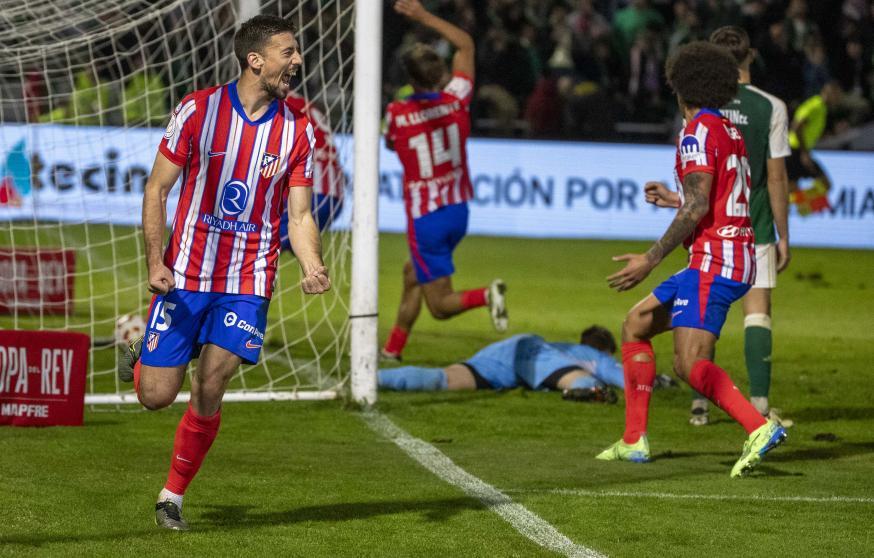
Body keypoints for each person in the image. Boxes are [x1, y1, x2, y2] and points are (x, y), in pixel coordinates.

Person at [117, 15, 331, 530]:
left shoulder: (298, 130)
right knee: (155, 397)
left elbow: (299, 215)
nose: (297, 61)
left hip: (248, 280)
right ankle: (144, 351)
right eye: (288, 52)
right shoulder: (198, 110)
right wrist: (155, 260)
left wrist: (312, 262)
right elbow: (157, 190)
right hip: (187, 274)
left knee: (211, 385)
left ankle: (172, 496)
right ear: (255, 59)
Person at [597, 41, 786, 478]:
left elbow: (699, 204)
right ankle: (633, 440)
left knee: (688, 364)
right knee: (636, 324)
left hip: (715, 260)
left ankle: (759, 428)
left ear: (681, 86)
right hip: (731, 252)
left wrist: (650, 257)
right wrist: (675, 200)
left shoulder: (697, 132)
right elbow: (713, 196)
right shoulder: (728, 129)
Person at [654, 26, 791, 426]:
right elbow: (777, 176)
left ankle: (700, 403)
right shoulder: (770, 107)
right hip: (755, 225)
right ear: (751, 56)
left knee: (700, 318)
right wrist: (784, 233)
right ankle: (761, 404)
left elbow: (702, 186)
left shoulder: (699, 114)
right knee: (757, 313)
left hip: (711, 235)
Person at [381, 0, 507, 363]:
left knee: (439, 304)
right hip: (457, 211)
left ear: (409, 79)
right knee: (412, 274)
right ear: (440, 73)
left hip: (427, 217)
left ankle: (487, 295)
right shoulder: (457, 98)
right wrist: (423, 16)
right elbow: (465, 44)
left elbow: (391, 144)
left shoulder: (398, 113)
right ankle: (392, 349)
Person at [379, 325, 634, 402]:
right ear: (604, 349)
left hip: (503, 354)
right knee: (581, 378)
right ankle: (590, 390)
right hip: (532, 352)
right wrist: (651, 382)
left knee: (442, 379)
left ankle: (369, 380)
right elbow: (625, 377)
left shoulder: (562, 347)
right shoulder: (594, 355)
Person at [278, 91, 345, 250]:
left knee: (257, 248)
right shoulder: (304, 103)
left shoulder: (277, 105)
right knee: (306, 256)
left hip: (311, 191)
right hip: (331, 191)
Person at [785, 81, 843, 214]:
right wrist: (804, 153)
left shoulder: (823, 108)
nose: (838, 99)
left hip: (795, 150)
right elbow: (796, 127)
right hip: (795, 150)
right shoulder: (815, 105)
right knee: (825, 184)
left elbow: (807, 130)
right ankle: (799, 205)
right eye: (837, 95)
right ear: (829, 92)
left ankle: (796, 203)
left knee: (791, 188)